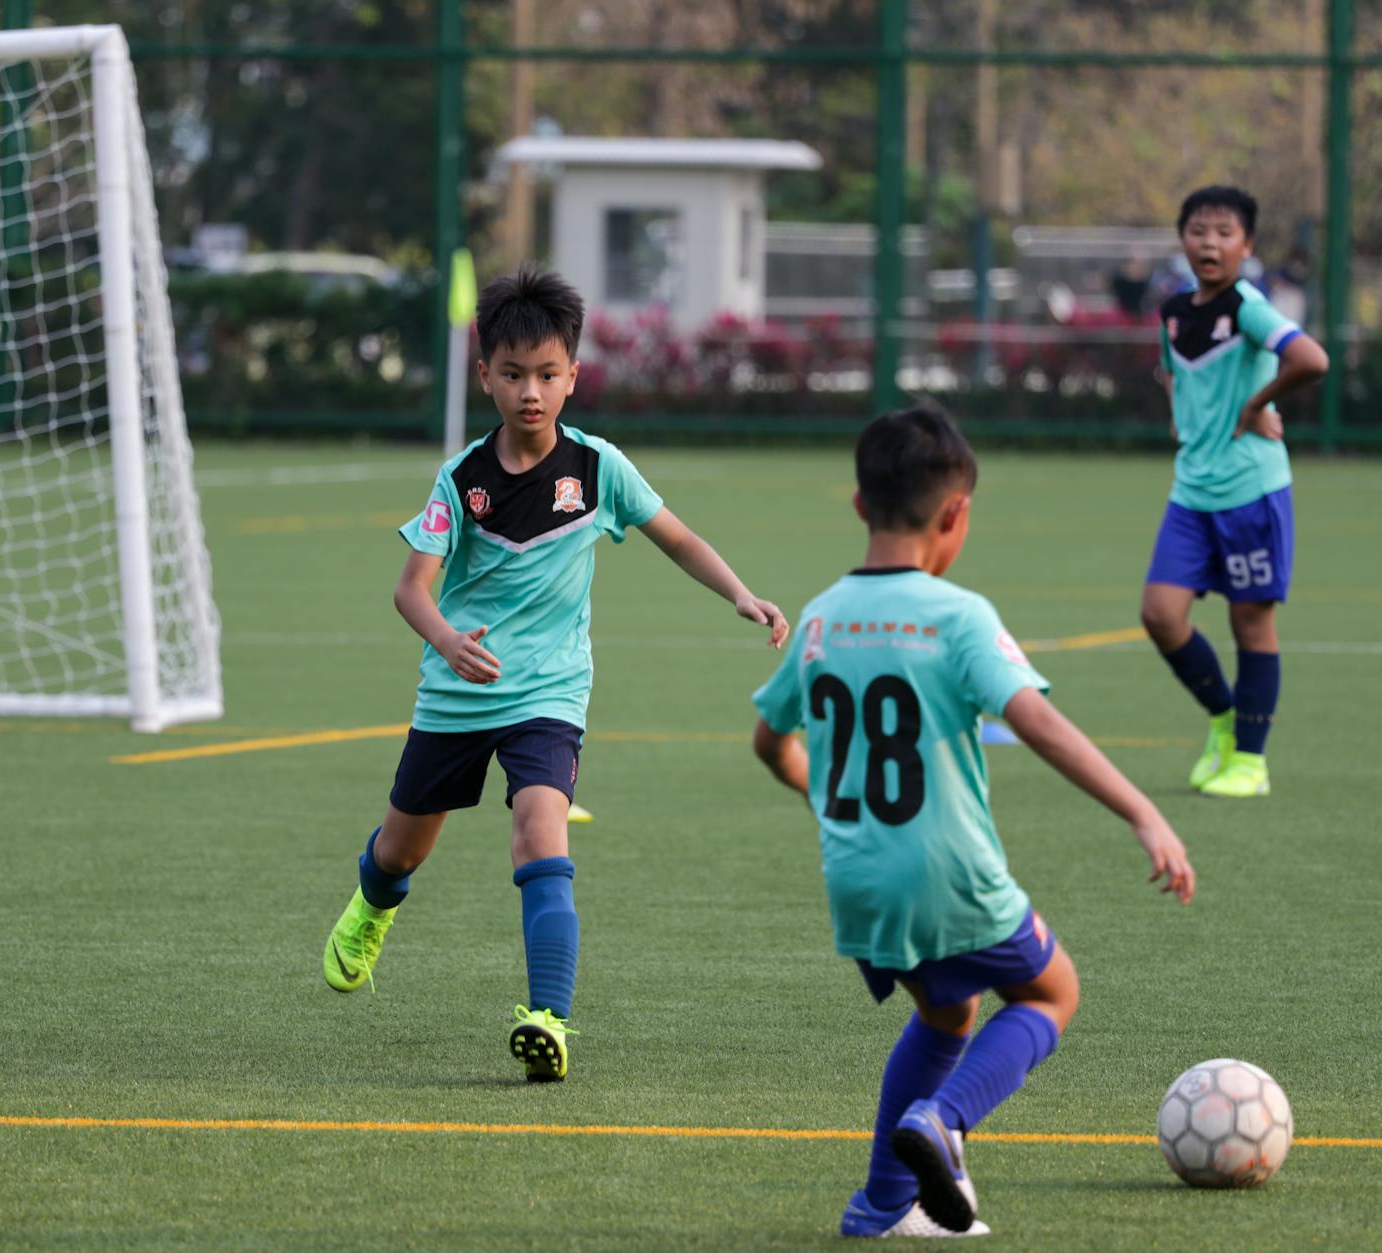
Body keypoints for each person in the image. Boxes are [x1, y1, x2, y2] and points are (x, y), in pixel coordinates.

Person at [322, 266, 790, 1081]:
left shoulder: (600, 467)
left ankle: (548, 1018)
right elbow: (410, 589)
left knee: (540, 826)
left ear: (573, 375)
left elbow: (675, 536)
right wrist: (447, 639)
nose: (530, 392)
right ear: (486, 379)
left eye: (546, 374)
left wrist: (741, 591)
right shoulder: (461, 480)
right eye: (512, 375)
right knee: (401, 850)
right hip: (458, 693)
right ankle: (371, 908)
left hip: (549, 692)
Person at [748, 404, 1196, 1238]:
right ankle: (946, 1121)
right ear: (955, 515)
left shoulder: (819, 616)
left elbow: (771, 742)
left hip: (857, 878)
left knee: (948, 1012)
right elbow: (1038, 722)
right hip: (947, 869)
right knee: (1052, 991)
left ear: (858, 504)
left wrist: (831, 801)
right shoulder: (958, 615)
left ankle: (881, 1206)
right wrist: (1143, 811)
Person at [1143, 186, 1329, 799]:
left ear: (1247, 247)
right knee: (1160, 615)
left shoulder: (1249, 306)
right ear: (1183, 240)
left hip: (1252, 490)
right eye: (1198, 231)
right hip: (1191, 492)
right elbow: (1173, 375)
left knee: (1250, 622)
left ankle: (1250, 760)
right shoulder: (1173, 311)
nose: (1209, 243)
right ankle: (1224, 719)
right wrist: (1183, 416)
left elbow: (1311, 358)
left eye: (1225, 233)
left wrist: (1257, 404)